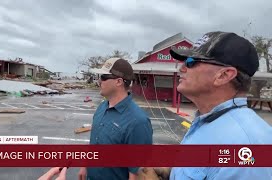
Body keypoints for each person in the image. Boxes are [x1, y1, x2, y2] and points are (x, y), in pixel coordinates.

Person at [140, 31, 272, 179]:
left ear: (224, 75)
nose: (181, 68)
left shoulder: (247, 148)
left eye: (190, 62)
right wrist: (171, 172)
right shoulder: (209, 120)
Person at [78, 57, 153, 180]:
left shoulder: (139, 121)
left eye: (103, 77)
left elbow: (137, 171)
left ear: (119, 82)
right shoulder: (102, 107)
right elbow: (94, 142)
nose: (99, 81)